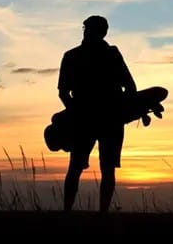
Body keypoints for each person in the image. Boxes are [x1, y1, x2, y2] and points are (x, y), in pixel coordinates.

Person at [57, 15, 137, 213]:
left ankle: (100, 214)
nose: (89, 32)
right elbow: (63, 92)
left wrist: (122, 109)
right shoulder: (73, 55)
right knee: (78, 167)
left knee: (102, 168)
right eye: (88, 29)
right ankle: (71, 211)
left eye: (91, 29)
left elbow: (130, 87)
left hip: (106, 118)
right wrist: (75, 112)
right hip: (90, 119)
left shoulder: (110, 54)